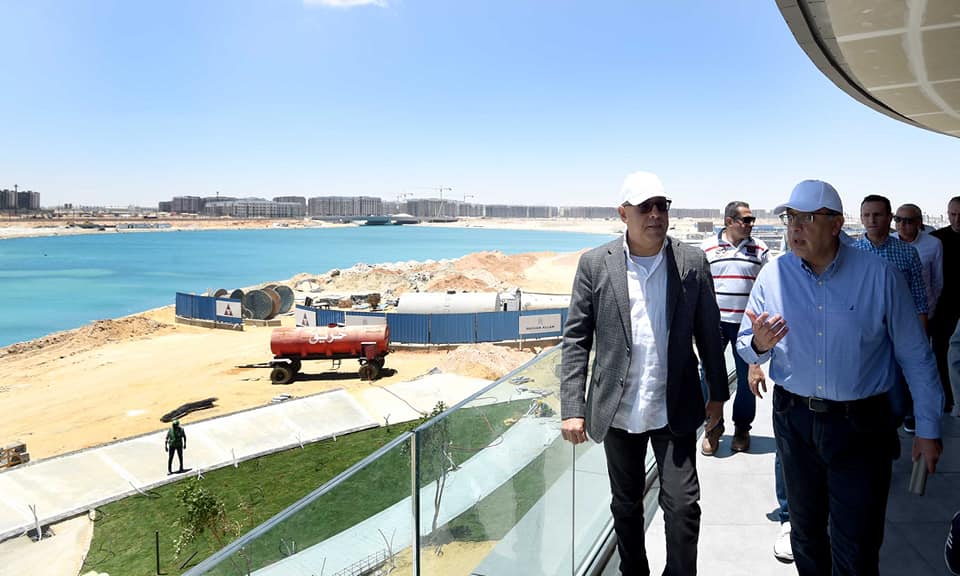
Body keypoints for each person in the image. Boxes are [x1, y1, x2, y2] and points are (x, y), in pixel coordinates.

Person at [736, 179, 944, 576]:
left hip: (861, 426)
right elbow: (747, 345)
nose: (795, 228)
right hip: (794, 420)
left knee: (857, 541)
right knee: (806, 534)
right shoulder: (773, 276)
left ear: (836, 224)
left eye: (807, 218)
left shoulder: (879, 276)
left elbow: (916, 357)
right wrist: (758, 345)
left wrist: (928, 429)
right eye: (790, 218)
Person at [561, 171, 728, 576]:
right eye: (645, 207)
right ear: (623, 213)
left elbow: (709, 331)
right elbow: (576, 339)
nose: (655, 214)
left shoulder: (691, 262)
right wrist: (572, 407)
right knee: (626, 503)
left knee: (684, 505)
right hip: (617, 410)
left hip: (675, 406)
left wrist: (718, 395)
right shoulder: (595, 264)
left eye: (661, 206)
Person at [700, 201, 770, 454]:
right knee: (708, 375)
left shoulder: (760, 249)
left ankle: (742, 428)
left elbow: (769, 287)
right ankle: (713, 426)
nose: (751, 224)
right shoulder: (707, 248)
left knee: (746, 379)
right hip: (714, 324)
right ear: (729, 221)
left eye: (752, 220)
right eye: (746, 220)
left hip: (747, 326)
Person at [855, 195, 929, 432]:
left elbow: (919, 298)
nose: (871, 220)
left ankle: (889, 431)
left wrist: (921, 336)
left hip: (898, 334)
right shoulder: (851, 253)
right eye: (867, 215)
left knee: (898, 399)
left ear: (889, 218)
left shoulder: (907, 253)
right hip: (863, 335)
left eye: (877, 214)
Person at [747, 363, 793, 564]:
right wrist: (754, 363)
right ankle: (789, 520)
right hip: (793, 392)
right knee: (786, 454)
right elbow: (753, 345)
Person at [932, 196, 960, 414]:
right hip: (944, 306)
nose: (957, 219)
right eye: (952, 214)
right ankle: (948, 399)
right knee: (941, 352)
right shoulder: (936, 240)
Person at [893, 203, 943, 323]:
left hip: (925, 310)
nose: (901, 224)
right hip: (895, 310)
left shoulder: (934, 244)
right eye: (898, 219)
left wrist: (932, 303)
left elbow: (937, 280)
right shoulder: (888, 241)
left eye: (908, 221)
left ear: (918, 223)